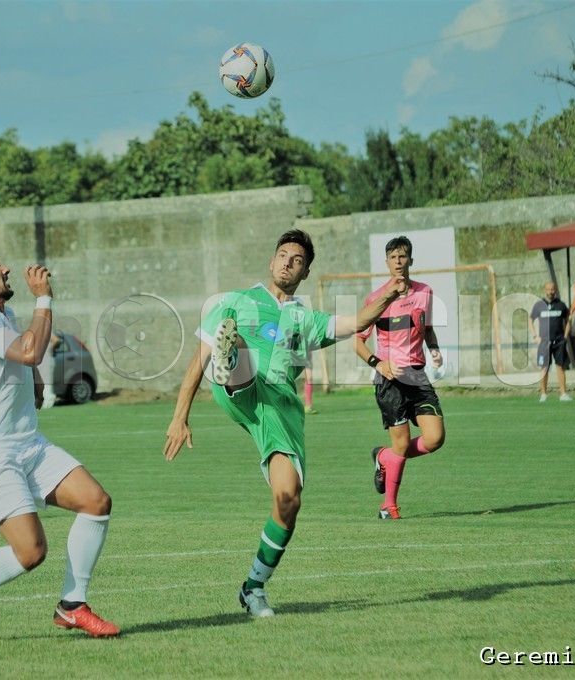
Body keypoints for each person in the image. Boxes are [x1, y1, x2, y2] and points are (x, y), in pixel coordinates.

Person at [163, 229, 403, 618]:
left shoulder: (306, 319)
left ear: (305, 273)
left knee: (288, 500)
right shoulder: (234, 302)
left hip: (278, 410)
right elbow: (196, 360)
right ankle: (233, 360)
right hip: (242, 390)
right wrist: (180, 417)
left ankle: (253, 587)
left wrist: (389, 295)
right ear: (271, 260)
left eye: (297, 261)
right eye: (283, 255)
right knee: (236, 350)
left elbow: (359, 320)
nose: (288, 263)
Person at [0, 239, 118, 646]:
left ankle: (72, 604)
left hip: (29, 444)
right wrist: (45, 299)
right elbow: (32, 351)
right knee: (32, 553)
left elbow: (25, 359)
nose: (6, 269)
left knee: (96, 502)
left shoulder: (5, 313)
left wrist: (33, 383)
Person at [354, 236, 446, 521]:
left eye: (402, 257)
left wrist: (434, 350)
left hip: (417, 377)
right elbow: (357, 342)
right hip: (390, 381)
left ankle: (385, 457)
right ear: (386, 263)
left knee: (435, 438)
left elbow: (426, 327)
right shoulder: (376, 299)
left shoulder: (424, 292)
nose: (398, 262)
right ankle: (388, 505)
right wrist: (378, 363)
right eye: (393, 257)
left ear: (410, 261)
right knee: (403, 443)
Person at [530, 281, 572, 402]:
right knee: (544, 368)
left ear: (555, 290)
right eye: (548, 289)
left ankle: (563, 394)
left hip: (559, 341)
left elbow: (568, 319)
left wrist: (565, 336)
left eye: (553, 289)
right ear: (545, 290)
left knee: (561, 367)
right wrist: (535, 336)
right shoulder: (539, 305)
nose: (551, 292)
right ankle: (543, 394)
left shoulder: (561, 305)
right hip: (544, 342)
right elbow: (530, 320)